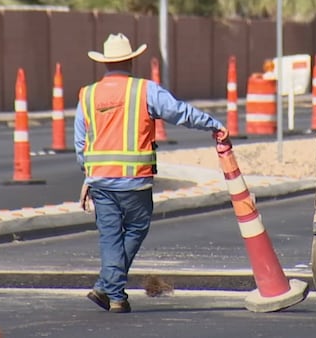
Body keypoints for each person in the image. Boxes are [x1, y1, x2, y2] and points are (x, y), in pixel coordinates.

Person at [74, 33, 228, 313]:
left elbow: (81, 142)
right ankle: (114, 294)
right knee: (135, 229)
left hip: (100, 182)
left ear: (105, 63)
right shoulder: (145, 90)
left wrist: (87, 176)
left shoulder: (88, 94)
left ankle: (107, 288)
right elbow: (179, 112)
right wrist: (212, 124)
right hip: (135, 182)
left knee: (110, 237)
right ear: (131, 60)